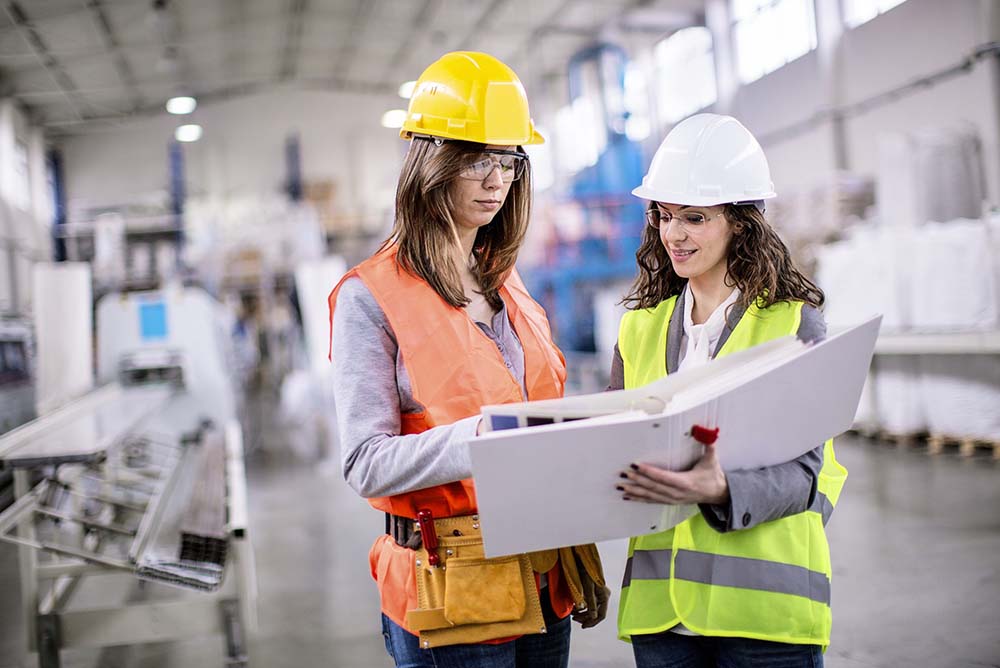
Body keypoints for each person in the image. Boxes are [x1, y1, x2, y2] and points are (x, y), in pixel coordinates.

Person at [327, 51, 609, 668]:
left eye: (509, 161)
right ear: (432, 163)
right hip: (450, 586)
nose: (496, 181)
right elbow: (364, 462)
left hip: (544, 572)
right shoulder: (369, 297)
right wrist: (480, 438)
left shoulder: (504, 282)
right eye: (477, 160)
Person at [609, 113, 847, 667]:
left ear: (740, 222)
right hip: (661, 615)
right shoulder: (638, 328)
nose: (673, 234)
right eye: (665, 217)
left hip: (763, 618)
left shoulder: (791, 324)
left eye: (694, 217)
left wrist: (722, 489)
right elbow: (615, 453)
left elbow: (811, 477)